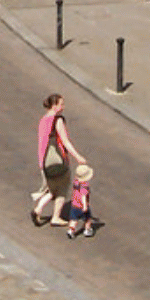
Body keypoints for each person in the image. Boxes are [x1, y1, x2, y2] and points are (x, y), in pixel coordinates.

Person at [31, 94, 86, 228]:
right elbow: (65, 142)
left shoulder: (43, 120)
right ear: (54, 106)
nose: (63, 107)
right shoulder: (58, 120)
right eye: (61, 104)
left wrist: (41, 163)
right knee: (62, 188)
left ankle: (38, 210)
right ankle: (55, 217)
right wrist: (78, 157)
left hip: (44, 161)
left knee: (51, 188)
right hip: (58, 160)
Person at [64, 163, 98, 239]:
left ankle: (71, 230)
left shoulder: (76, 182)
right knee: (88, 219)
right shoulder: (84, 186)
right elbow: (83, 196)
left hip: (74, 205)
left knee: (74, 219)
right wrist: (85, 205)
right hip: (81, 206)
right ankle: (87, 230)